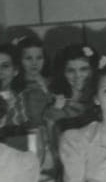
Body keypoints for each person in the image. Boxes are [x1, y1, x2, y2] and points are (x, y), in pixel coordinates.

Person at [40, 45, 100, 174]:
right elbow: (52, 144)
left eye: (84, 69)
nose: (78, 76)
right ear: (62, 73)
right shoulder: (55, 104)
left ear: (92, 70)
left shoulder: (100, 99)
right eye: (71, 71)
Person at [7, 33, 53, 132]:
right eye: (28, 58)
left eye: (39, 58)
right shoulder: (16, 88)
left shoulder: (51, 82)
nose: (34, 63)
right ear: (19, 60)